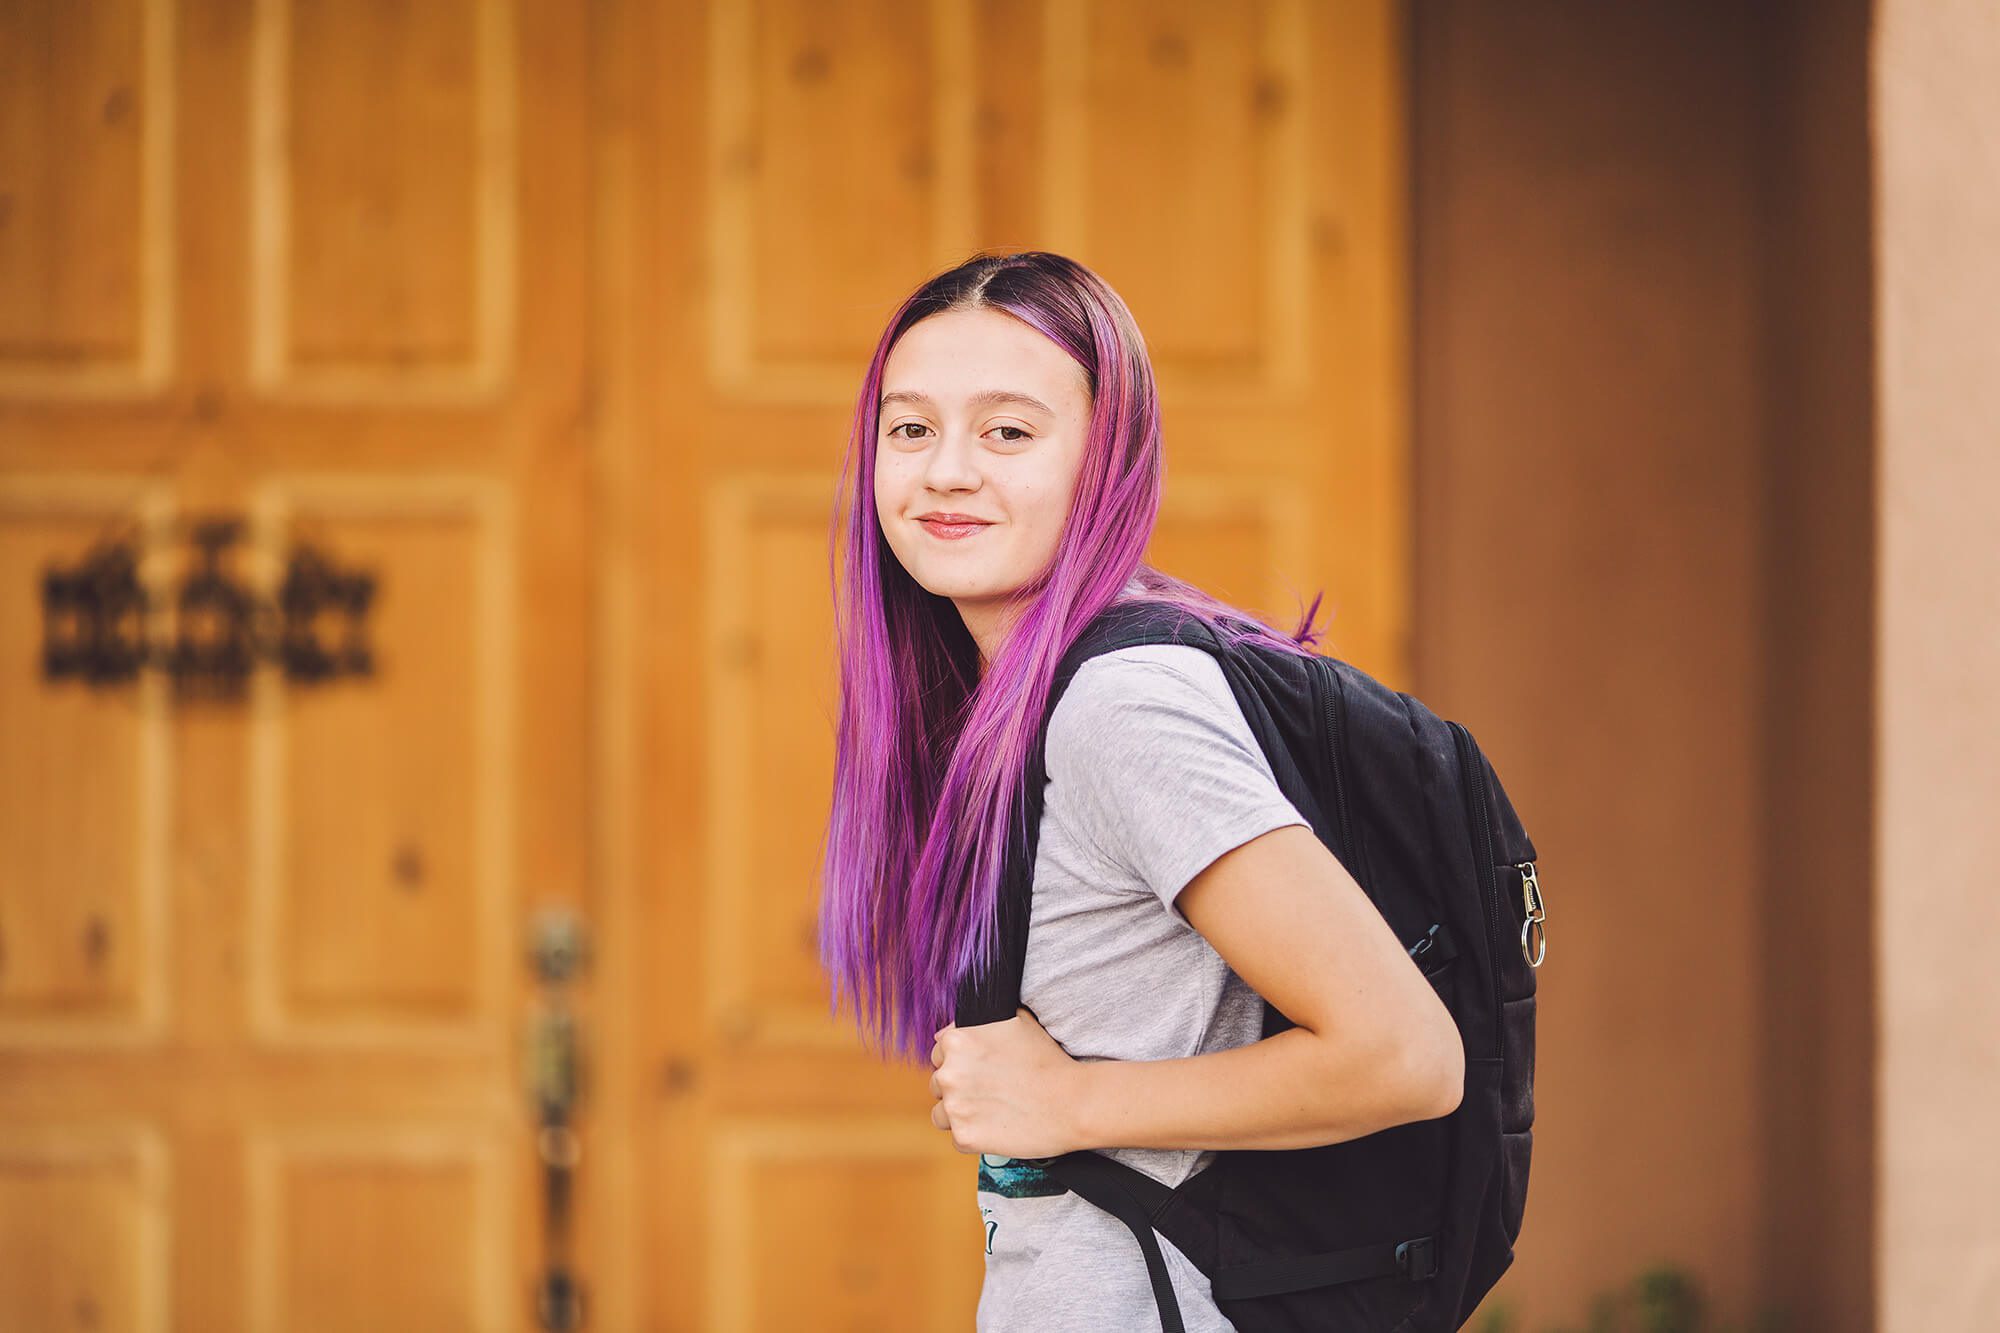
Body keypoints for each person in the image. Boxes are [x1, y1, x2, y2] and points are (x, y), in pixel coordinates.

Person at [817, 251, 1463, 1331]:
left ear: (1104, 459)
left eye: (1008, 431)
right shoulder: (1014, 703)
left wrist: (1069, 1100)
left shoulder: (1122, 709)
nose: (944, 471)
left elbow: (1401, 1053)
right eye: (911, 428)